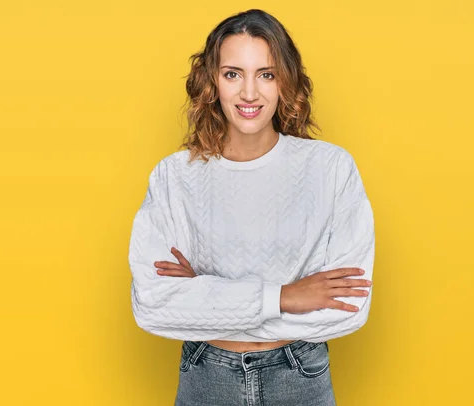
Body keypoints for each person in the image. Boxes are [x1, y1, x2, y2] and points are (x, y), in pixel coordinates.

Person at [128, 8, 375, 406]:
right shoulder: (175, 177)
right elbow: (154, 306)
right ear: (212, 82)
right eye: (232, 74)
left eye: (266, 74)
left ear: (285, 82)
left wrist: (203, 295)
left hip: (300, 377)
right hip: (207, 378)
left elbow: (348, 310)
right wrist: (284, 296)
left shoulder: (330, 169)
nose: (248, 93)